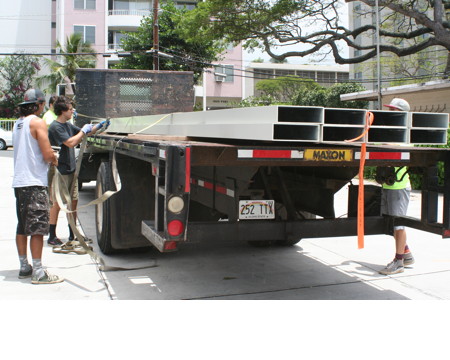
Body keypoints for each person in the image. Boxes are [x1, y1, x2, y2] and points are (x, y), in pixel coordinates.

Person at [12, 88, 63, 284]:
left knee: (22, 226)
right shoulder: (37, 122)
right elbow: (47, 154)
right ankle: (39, 272)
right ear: (39, 104)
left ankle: (24, 266)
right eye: (42, 105)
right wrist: (54, 158)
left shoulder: (18, 123)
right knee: (37, 229)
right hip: (34, 183)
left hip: (20, 182)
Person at [47, 96, 108, 246]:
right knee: (57, 204)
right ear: (62, 111)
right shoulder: (56, 127)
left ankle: (73, 234)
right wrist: (83, 130)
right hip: (59, 172)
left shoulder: (67, 126)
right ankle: (51, 235)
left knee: (73, 203)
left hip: (71, 170)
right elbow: (71, 142)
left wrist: (99, 126)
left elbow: (86, 133)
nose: (73, 110)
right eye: (70, 108)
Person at [378, 98, 414, 275]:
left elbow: (399, 148)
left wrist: (383, 143)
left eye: (393, 110)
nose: (390, 113)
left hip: (399, 188)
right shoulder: (392, 132)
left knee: (398, 225)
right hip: (390, 186)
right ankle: (406, 253)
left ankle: (399, 262)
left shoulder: (405, 133)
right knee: (392, 224)